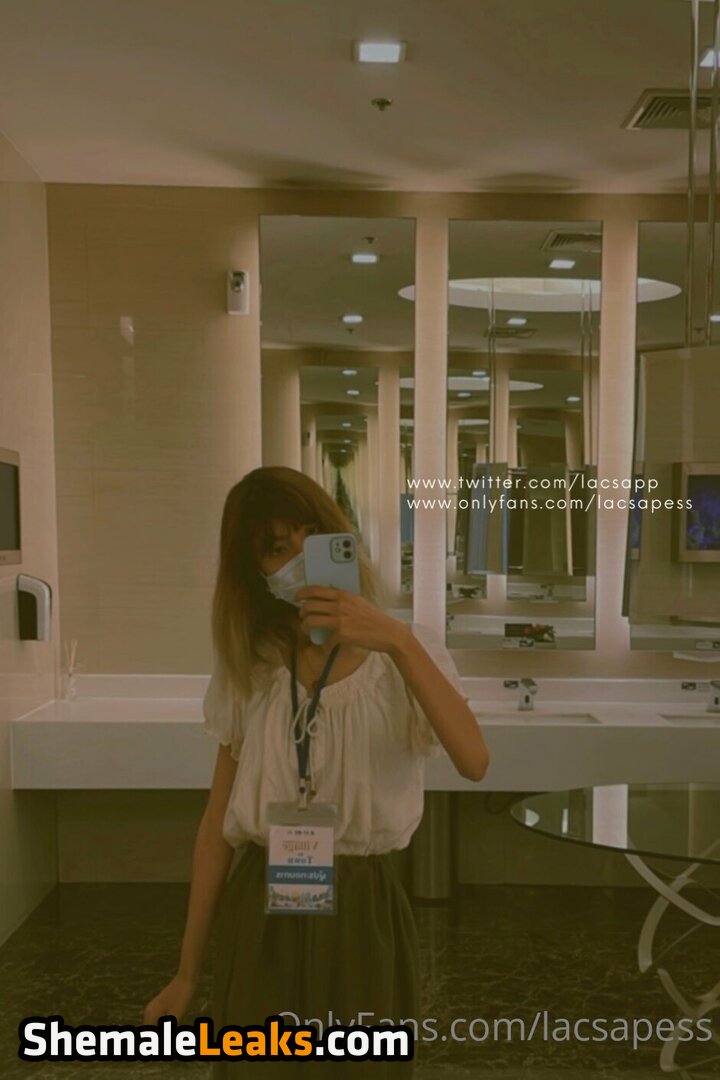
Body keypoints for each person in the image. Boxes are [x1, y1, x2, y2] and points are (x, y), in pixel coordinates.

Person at [143, 466, 489, 1076]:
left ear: (340, 537)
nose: (300, 557)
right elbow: (216, 827)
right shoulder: (252, 667)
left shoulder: (406, 652)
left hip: (365, 911)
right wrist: (187, 973)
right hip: (263, 912)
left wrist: (397, 641)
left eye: (311, 535)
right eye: (277, 547)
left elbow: (474, 760)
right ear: (255, 572)